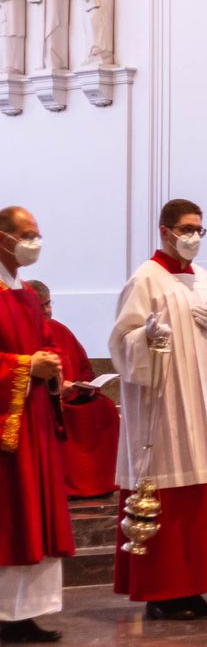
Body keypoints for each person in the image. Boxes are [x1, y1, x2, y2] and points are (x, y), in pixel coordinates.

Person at [109, 199, 207, 620]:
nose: (193, 238)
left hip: (205, 400)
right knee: (169, 493)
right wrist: (144, 338)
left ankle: (194, 587)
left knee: (200, 494)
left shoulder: (204, 280)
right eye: (186, 229)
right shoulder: (145, 279)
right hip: (165, 407)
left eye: (199, 230)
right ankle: (163, 592)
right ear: (165, 231)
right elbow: (120, 344)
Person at [0, 206, 73, 644]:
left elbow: (42, 345)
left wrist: (50, 366)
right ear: (3, 238)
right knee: (10, 517)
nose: (35, 243)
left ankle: (27, 611)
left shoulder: (26, 293)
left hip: (35, 422)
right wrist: (28, 367)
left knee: (36, 516)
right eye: (27, 235)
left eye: (38, 235)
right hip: (8, 426)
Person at [27, 280, 118, 499]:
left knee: (103, 407)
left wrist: (85, 386)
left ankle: (104, 481)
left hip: (72, 396)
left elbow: (85, 368)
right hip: (44, 402)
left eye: (49, 304)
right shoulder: (23, 335)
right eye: (41, 306)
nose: (47, 310)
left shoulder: (60, 330)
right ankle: (67, 485)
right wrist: (56, 392)